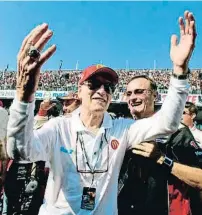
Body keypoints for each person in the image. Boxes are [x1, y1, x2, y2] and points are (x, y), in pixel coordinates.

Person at [7, 11, 196, 215]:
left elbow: (167, 123)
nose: (102, 91)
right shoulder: (59, 127)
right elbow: (20, 152)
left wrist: (179, 70)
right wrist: (24, 95)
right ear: (80, 91)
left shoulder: (120, 128)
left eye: (108, 87)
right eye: (94, 85)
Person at [118, 75, 202, 215]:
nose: (133, 97)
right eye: (129, 93)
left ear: (155, 96)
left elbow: (199, 178)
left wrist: (162, 159)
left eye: (139, 91)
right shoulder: (119, 131)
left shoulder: (177, 131)